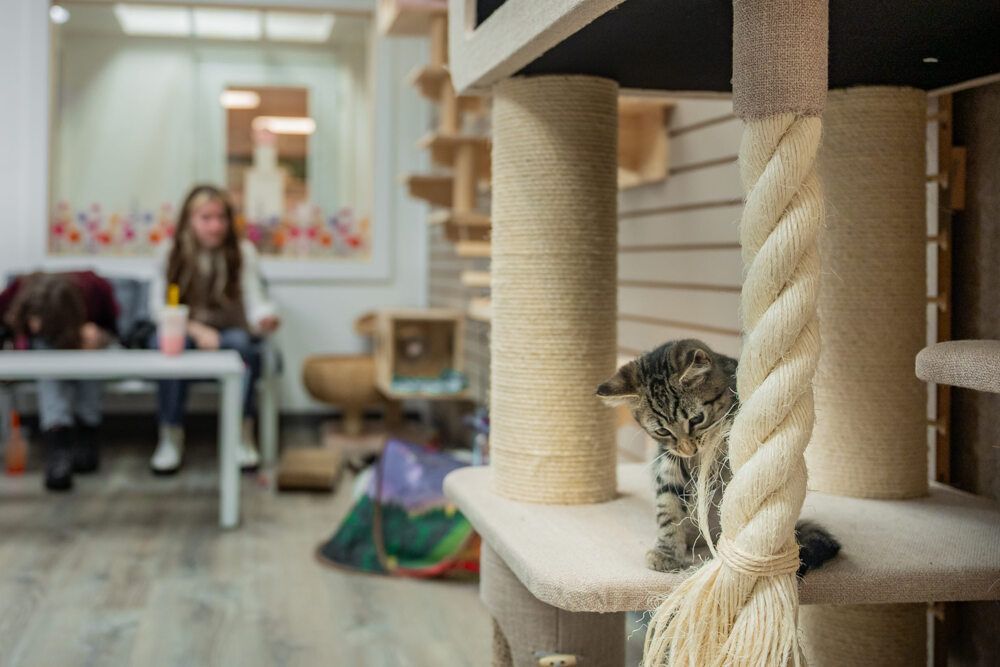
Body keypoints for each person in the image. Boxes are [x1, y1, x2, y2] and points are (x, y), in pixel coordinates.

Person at [148, 184, 280, 474]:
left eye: (221, 218)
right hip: (184, 330)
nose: (215, 226)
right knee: (167, 346)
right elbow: (158, 308)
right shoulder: (170, 253)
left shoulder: (243, 252)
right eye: (206, 218)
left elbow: (255, 300)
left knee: (243, 346)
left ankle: (241, 436)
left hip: (227, 331)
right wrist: (195, 330)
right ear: (189, 220)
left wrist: (265, 318)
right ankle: (170, 436)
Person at [0, 271, 119, 491]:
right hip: (41, 348)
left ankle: (87, 433)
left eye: (42, 321)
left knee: (90, 356)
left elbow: (118, 330)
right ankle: (58, 445)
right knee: (48, 359)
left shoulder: (96, 290)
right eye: (33, 319)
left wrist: (99, 336)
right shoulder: (18, 290)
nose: (35, 325)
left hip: (77, 336)